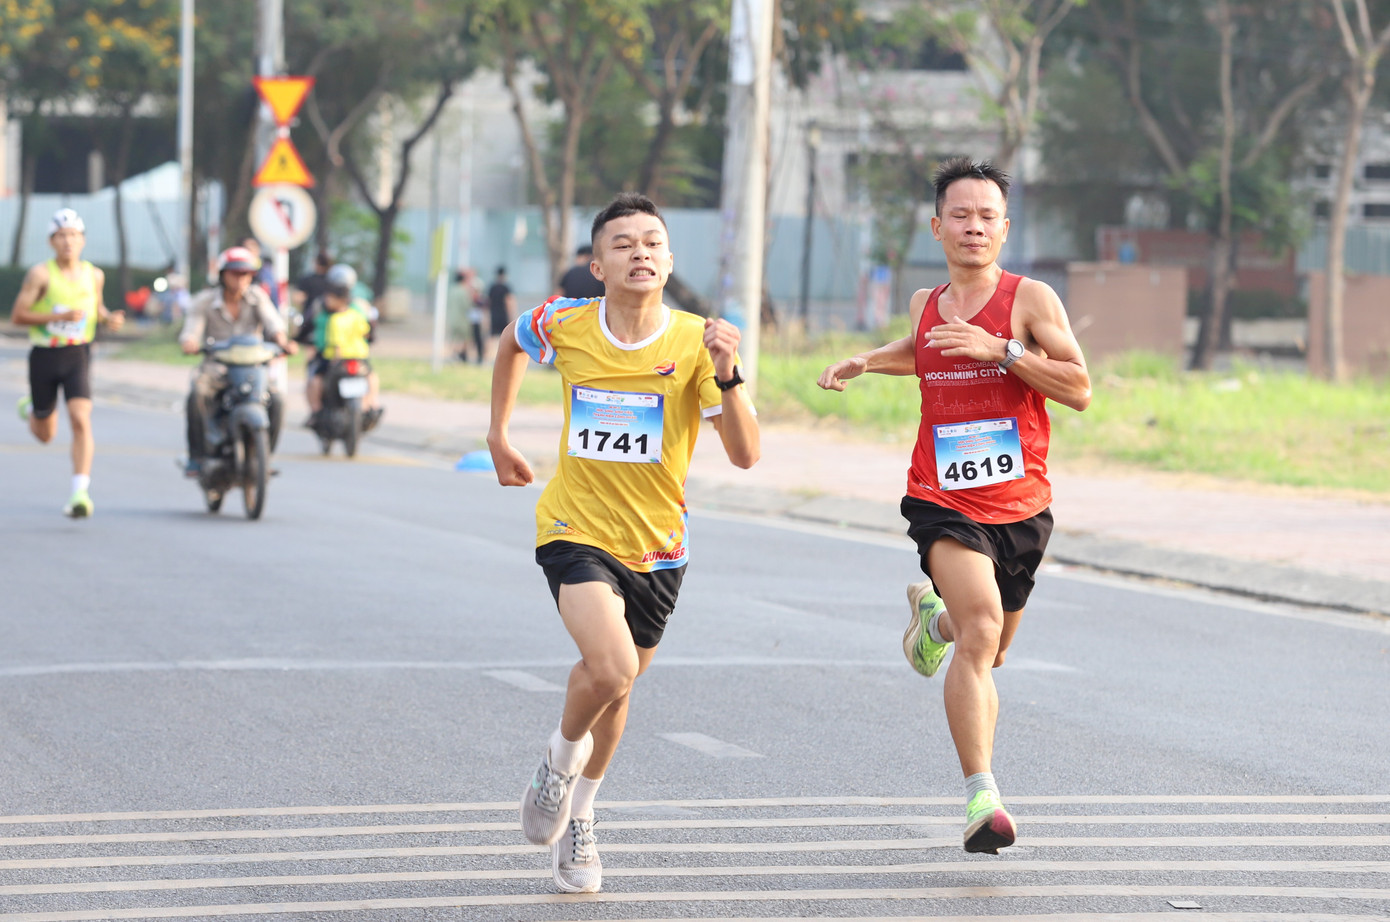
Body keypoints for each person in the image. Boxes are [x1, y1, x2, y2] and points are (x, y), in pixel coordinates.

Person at [816, 157, 1092, 855]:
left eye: (987, 216)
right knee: (983, 630)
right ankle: (982, 798)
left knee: (990, 650)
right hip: (942, 499)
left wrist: (1002, 351)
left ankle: (931, 619)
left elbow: (1079, 386)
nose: (973, 226)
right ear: (937, 227)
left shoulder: (1032, 301)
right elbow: (925, 349)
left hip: (1023, 506)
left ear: (1005, 227)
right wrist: (868, 360)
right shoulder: (926, 301)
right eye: (960, 215)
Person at [490, 192, 759, 893]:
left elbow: (746, 455)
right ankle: (556, 762)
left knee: (618, 686)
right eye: (623, 243)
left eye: (652, 242)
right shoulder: (567, 324)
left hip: (660, 547)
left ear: (669, 261)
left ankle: (580, 820)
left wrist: (729, 377)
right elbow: (511, 342)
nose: (639, 251)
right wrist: (499, 434)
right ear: (597, 264)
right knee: (609, 670)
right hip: (574, 529)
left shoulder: (698, 341)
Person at [10, 208, 125, 517]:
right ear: (51, 241)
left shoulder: (94, 274)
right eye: (61, 236)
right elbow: (18, 316)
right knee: (45, 435)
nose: (68, 242)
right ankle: (33, 409)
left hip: (79, 354)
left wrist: (109, 319)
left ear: (83, 240)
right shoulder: (41, 274)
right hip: (46, 354)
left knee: (80, 418)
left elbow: (97, 307)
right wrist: (57, 317)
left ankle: (80, 494)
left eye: (73, 235)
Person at [179, 246, 298, 475]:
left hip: (252, 368)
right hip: (217, 368)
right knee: (197, 394)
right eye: (235, 273)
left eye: (246, 274)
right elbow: (192, 329)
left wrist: (283, 341)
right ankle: (196, 456)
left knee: (278, 400)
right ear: (223, 274)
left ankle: (265, 456)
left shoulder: (257, 297)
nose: (241, 279)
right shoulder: (204, 301)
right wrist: (190, 342)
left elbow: (274, 324)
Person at [304, 264, 382, 429]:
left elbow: (335, 343)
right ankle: (370, 403)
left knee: (314, 379)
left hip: (334, 357)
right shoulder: (359, 309)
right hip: (356, 355)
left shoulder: (334, 317)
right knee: (371, 375)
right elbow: (369, 331)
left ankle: (317, 412)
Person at [450, 268, 485, 364]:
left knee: (455, 338)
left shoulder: (452, 290)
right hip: (463, 319)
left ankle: (455, 355)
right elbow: (467, 305)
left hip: (452, 318)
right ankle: (459, 355)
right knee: (465, 338)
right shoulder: (463, 291)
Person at [486, 265, 516, 360]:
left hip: (494, 314)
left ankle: (486, 357)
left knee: (491, 336)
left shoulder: (492, 287)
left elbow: (488, 302)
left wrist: (487, 315)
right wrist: (511, 316)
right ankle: (504, 357)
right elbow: (509, 302)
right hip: (503, 315)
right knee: (505, 336)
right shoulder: (506, 287)